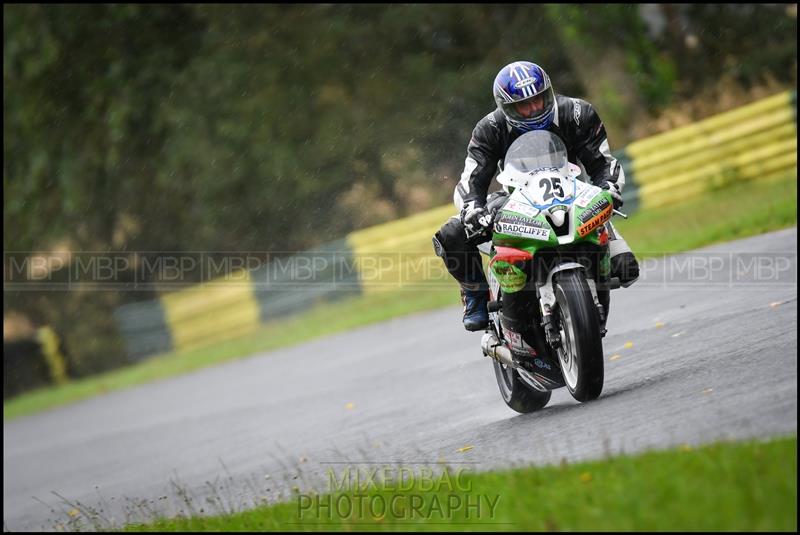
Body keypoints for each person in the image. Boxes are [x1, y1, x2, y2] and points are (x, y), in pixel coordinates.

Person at [432, 61, 639, 331]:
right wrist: (473, 211)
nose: (533, 109)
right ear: (505, 107)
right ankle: (475, 295)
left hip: (574, 196)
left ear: (549, 93)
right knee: (452, 233)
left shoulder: (577, 113)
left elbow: (604, 164)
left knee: (626, 268)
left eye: (539, 100)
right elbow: (471, 180)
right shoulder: (489, 129)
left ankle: (600, 265)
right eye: (523, 105)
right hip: (515, 200)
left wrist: (609, 190)